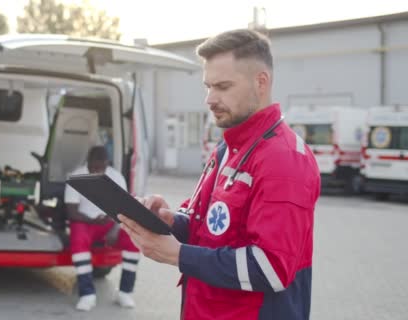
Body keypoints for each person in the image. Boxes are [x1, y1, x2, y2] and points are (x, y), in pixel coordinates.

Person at [119, 29, 320, 320]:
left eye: (223, 86)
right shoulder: (229, 147)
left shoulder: (283, 160)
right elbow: (215, 231)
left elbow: (272, 268)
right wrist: (171, 221)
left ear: (261, 82)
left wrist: (177, 254)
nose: (210, 99)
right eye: (208, 86)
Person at [64, 146, 140, 311]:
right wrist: (92, 220)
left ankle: (125, 292)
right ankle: (87, 294)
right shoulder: (77, 176)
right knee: (77, 238)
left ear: (107, 164)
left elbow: (124, 209)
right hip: (85, 222)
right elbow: (72, 211)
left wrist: (114, 229)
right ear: (88, 162)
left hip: (109, 223)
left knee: (133, 239)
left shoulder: (116, 177)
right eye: (93, 167)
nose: (97, 172)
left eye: (101, 168)